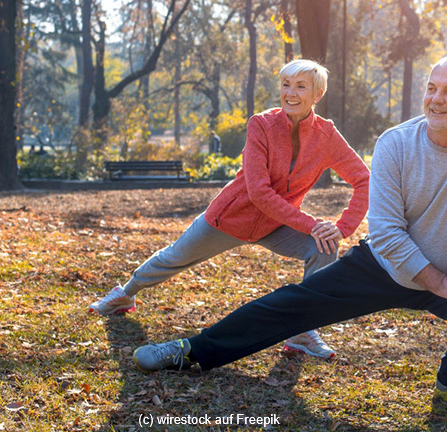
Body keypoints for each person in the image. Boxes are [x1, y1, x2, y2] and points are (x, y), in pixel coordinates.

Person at [131, 55, 447, 412]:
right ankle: (192, 350)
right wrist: (437, 281)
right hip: (385, 265)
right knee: (290, 305)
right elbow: (388, 232)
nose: (436, 98)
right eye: (432, 87)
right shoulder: (397, 143)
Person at [89, 59, 370, 359]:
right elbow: (259, 193)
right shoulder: (261, 125)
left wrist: (341, 227)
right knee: (174, 257)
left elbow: (364, 180)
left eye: (301, 86)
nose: (290, 92)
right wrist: (311, 223)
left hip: (276, 225)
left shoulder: (326, 136)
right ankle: (125, 293)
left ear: (318, 94)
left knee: (324, 246)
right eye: (286, 84)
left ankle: (301, 329)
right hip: (231, 218)